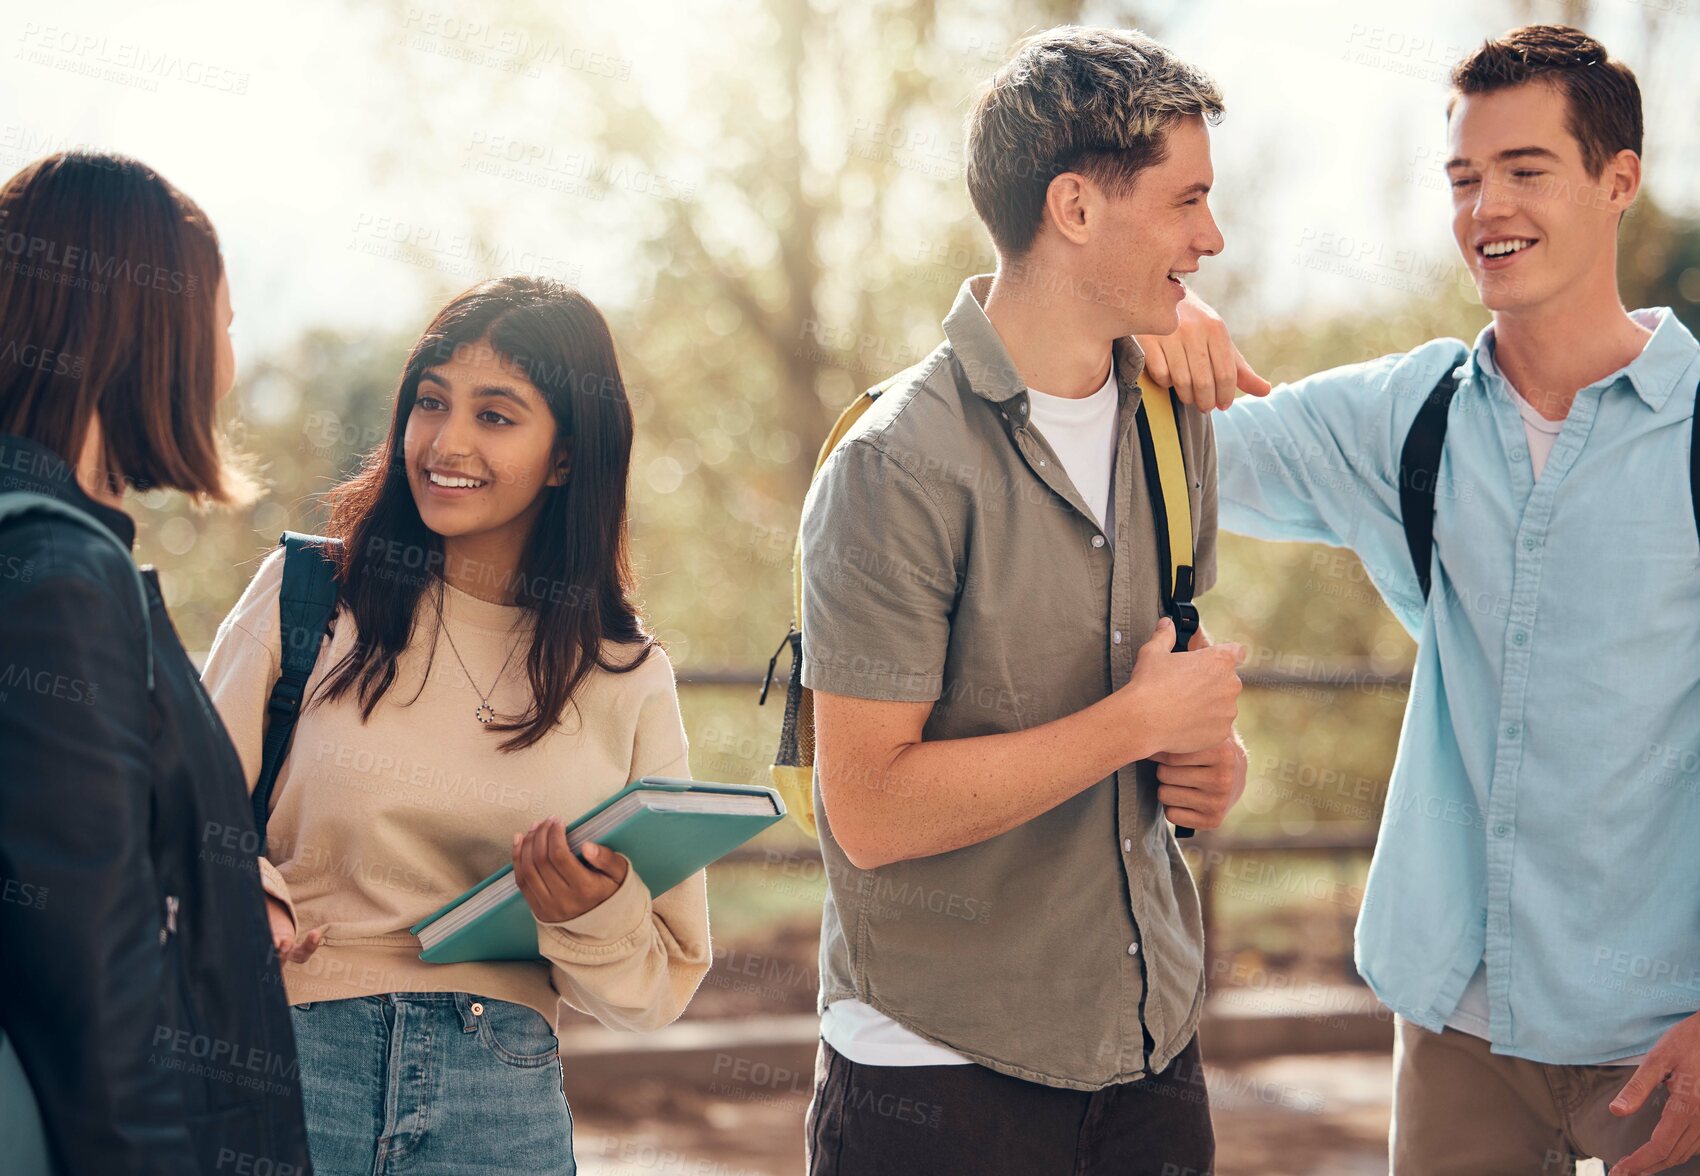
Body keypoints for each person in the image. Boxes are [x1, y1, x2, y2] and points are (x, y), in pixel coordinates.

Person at [1137, 25, 1700, 1176]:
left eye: (1523, 169)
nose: (1484, 206)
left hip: (1662, 1035)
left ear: (1617, 182)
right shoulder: (1409, 415)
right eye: (1461, 178)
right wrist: (1151, 319)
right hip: (1453, 1027)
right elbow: (1178, 450)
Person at [798, 27, 1250, 1175]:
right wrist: (1134, 727)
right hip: (935, 1077)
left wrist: (1204, 768)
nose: (1209, 236)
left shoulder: (1170, 419)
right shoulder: (895, 461)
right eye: (1185, 200)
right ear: (1075, 207)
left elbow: (1163, 708)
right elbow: (869, 808)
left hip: (1148, 1057)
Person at [199, 276, 710, 1175]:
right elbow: (170, 818)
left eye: (497, 415)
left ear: (565, 457)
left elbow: (660, 985)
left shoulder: (625, 675)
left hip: (499, 1100)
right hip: (290, 1061)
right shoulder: (306, 599)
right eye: (430, 403)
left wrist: (594, 916)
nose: (447, 442)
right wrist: (249, 885)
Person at [0, 151, 313, 1173]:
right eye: (220, 323)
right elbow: (88, 978)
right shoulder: (57, 578)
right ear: (150, 332)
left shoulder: (51, 551)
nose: (226, 361)